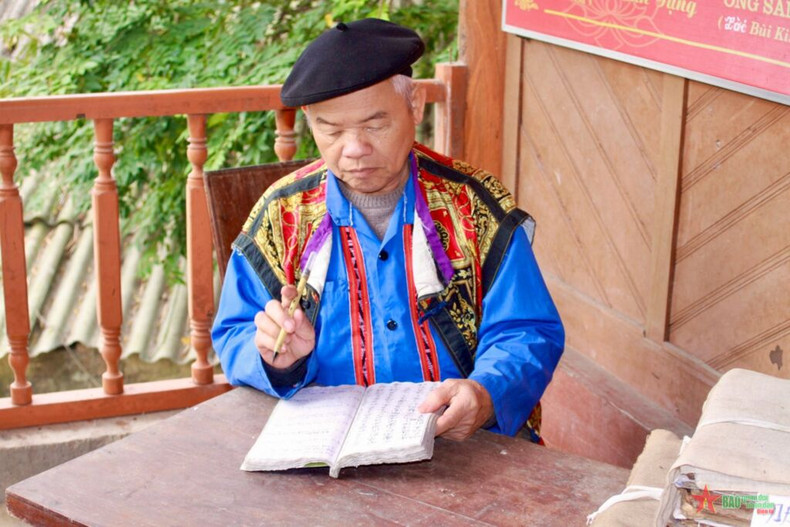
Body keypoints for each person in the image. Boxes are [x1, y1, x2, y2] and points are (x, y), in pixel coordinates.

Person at [211, 18, 564, 442]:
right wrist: (276, 359)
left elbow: (527, 330)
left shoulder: (474, 206)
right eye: (332, 129)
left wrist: (486, 393)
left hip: (461, 443)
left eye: (374, 125)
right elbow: (234, 331)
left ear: (414, 105)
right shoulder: (280, 216)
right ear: (308, 121)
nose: (354, 149)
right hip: (327, 450)